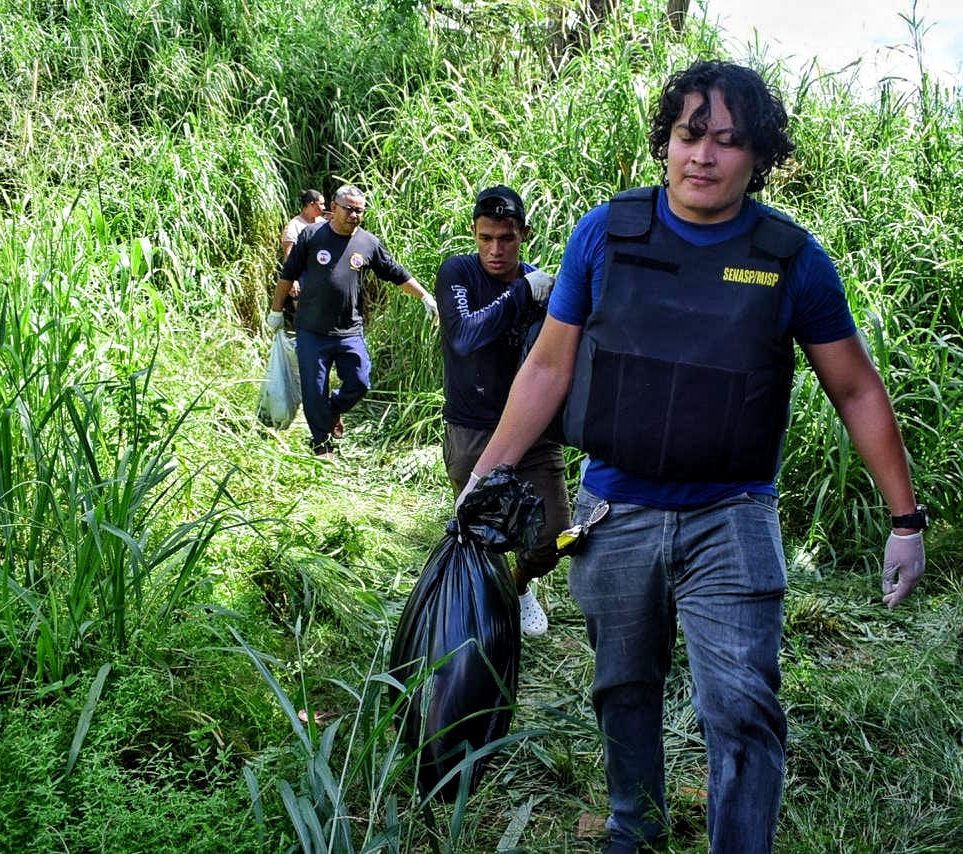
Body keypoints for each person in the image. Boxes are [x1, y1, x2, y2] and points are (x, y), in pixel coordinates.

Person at [459, 61, 927, 852]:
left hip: (732, 513)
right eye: (688, 135)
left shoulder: (791, 258)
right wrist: (483, 475)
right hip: (616, 511)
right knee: (622, 691)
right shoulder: (606, 233)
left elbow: (854, 388)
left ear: (757, 158)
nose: (704, 157)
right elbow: (548, 366)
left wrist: (905, 519)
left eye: (728, 142)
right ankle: (632, 830)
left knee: (743, 706)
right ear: (666, 142)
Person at [435, 185, 569, 637]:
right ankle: (483, 615)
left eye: (506, 239)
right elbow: (464, 337)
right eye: (486, 238)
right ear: (473, 232)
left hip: (533, 432)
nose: (495, 249)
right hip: (472, 429)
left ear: (524, 234)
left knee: (551, 539)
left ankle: (520, 585)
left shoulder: (541, 286)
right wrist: (519, 296)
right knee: (482, 533)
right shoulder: (458, 272)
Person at [268, 185, 438, 457]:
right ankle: (321, 442)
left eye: (360, 211)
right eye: (349, 209)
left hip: (349, 330)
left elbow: (396, 273)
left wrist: (426, 297)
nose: (354, 215)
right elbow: (288, 275)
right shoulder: (312, 236)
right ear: (334, 208)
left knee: (360, 381)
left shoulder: (368, 243)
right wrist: (276, 312)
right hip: (312, 329)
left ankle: (333, 411)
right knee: (314, 389)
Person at [279, 189, 327, 326]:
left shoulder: (322, 222)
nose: (324, 208)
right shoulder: (294, 226)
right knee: (304, 316)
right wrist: (292, 280)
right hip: (302, 276)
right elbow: (288, 255)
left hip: (321, 274)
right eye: (321, 204)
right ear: (311, 204)